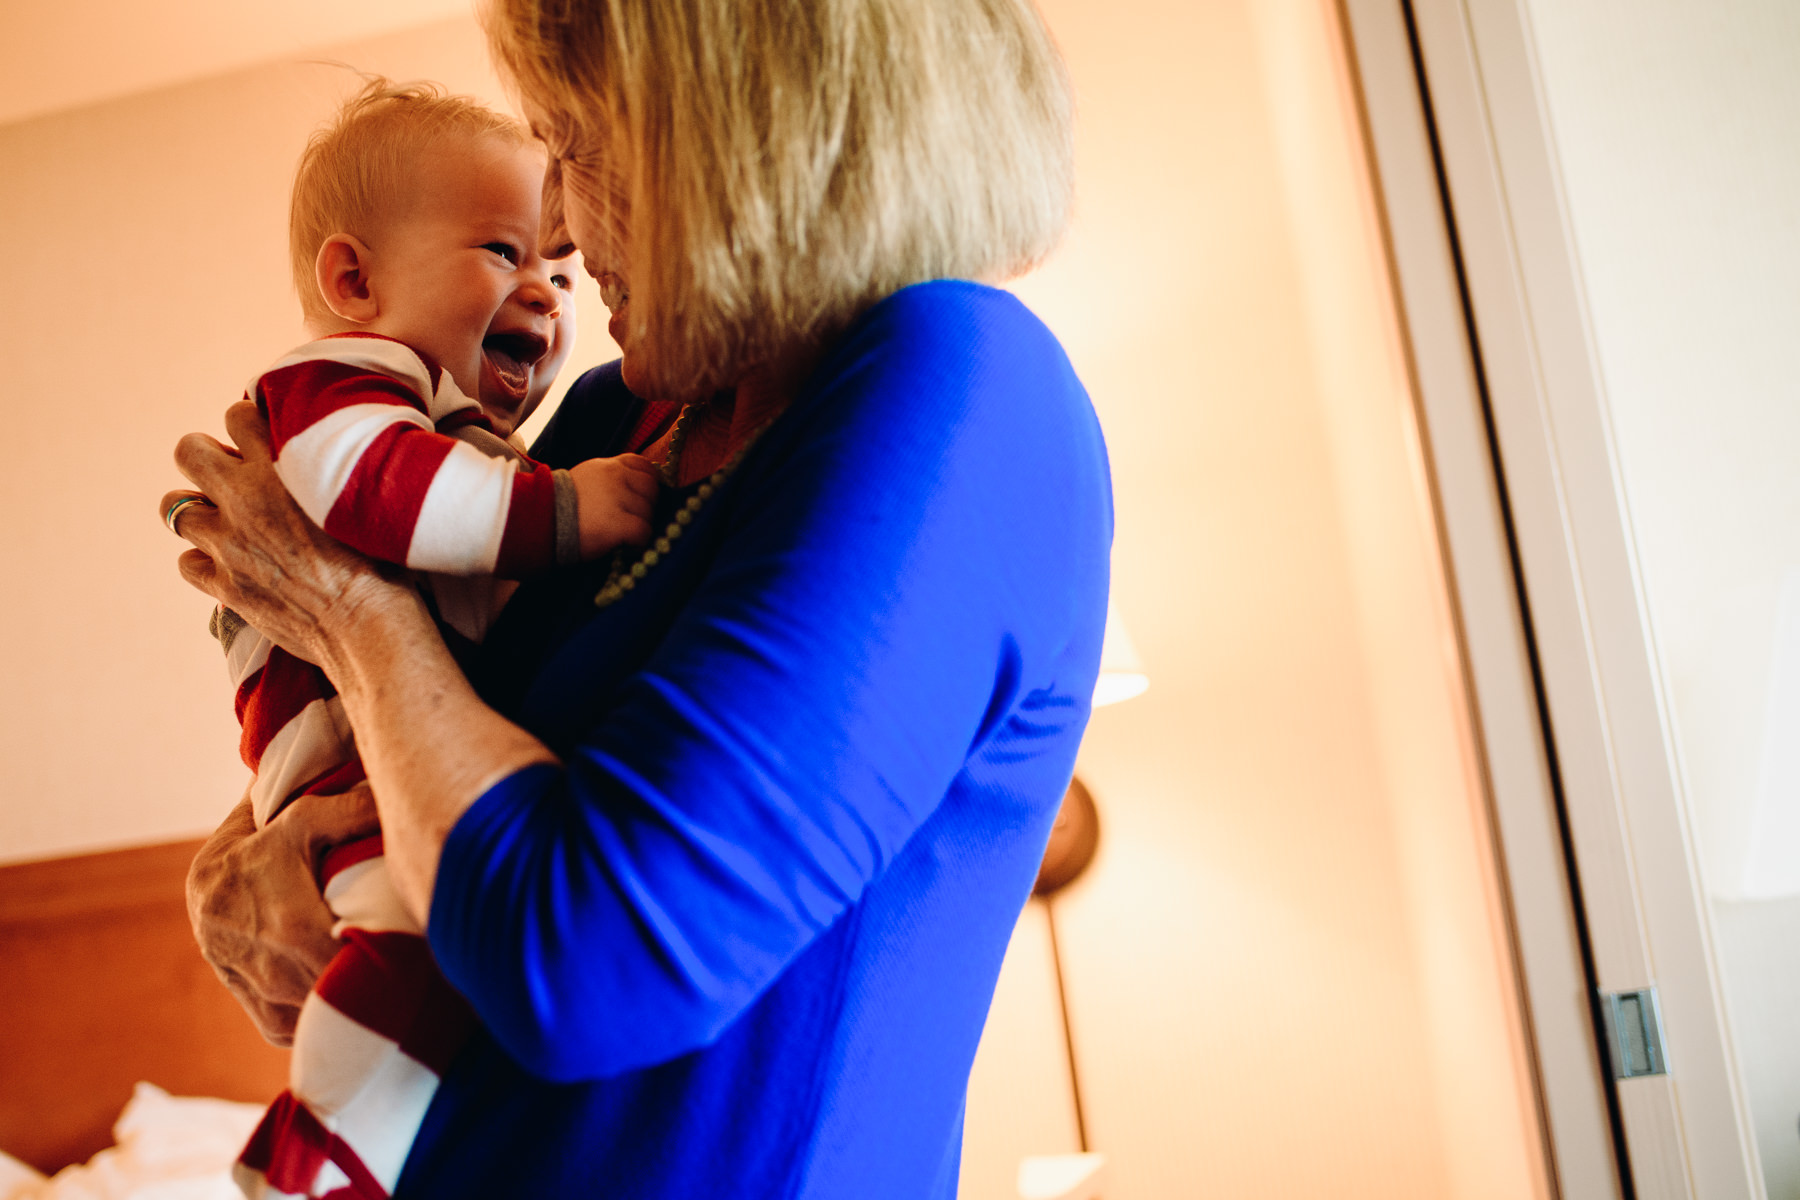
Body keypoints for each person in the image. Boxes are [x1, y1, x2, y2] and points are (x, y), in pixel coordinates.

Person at [164, 0, 1113, 1195]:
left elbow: (585, 959)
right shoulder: (622, 423)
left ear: (749, 134)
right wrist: (233, 869)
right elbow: (420, 749)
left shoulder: (961, 380)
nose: (555, 218)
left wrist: (349, 608)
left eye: (583, 146)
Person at [196, 79, 659, 1200]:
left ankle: (320, 1148)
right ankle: (318, 1155)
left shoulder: (472, 432)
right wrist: (577, 509)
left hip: (392, 786)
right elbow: (391, 496)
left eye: (555, 264)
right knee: (410, 948)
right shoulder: (338, 391)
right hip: (347, 780)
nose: (552, 284)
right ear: (355, 280)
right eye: (507, 251)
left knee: (421, 962)